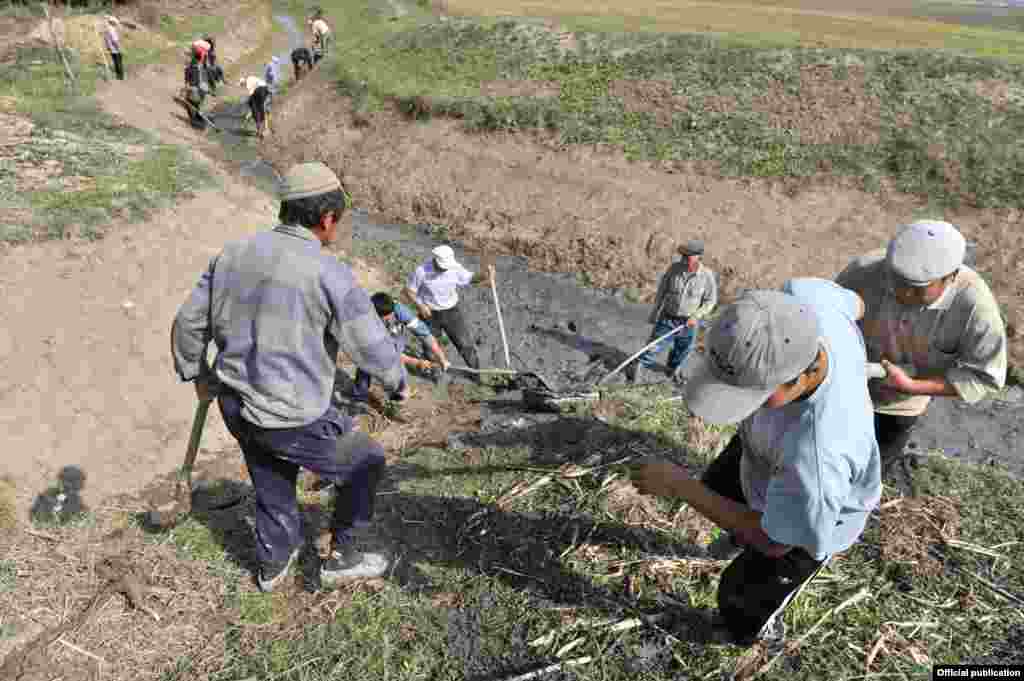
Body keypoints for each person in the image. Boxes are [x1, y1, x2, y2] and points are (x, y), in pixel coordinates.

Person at [171, 162, 406, 592]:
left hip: (235, 403)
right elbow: (372, 347)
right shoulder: (329, 273)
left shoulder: (232, 254)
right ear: (327, 219)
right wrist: (397, 382)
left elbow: (188, 325)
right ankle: (344, 556)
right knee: (366, 462)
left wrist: (197, 372)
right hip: (290, 416)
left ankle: (273, 563)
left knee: (271, 479)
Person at [630, 280, 881, 647]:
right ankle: (737, 533)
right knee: (719, 486)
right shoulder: (802, 302)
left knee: (744, 592)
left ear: (800, 376)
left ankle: (739, 631)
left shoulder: (818, 458)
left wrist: (680, 486)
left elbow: (774, 542)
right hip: (763, 453)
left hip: (802, 526)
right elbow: (856, 302)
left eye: (752, 394)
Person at [834, 220, 1007, 472]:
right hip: (844, 389)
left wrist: (912, 386)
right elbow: (829, 318)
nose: (902, 293)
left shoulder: (977, 310)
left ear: (950, 277)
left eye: (916, 289)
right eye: (896, 281)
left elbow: (983, 376)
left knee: (873, 467)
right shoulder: (863, 271)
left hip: (900, 407)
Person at [625, 239, 718, 384]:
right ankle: (638, 367)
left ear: (698, 257)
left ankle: (673, 370)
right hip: (668, 317)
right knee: (653, 346)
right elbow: (662, 291)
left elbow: (710, 301)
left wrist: (696, 316)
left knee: (683, 349)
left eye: (688, 257)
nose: (684, 260)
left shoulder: (706, 276)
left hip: (688, 322)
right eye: (683, 256)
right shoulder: (674, 269)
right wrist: (655, 312)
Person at [402, 245, 493, 378]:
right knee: (430, 347)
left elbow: (471, 278)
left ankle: (476, 375)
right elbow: (409, 291)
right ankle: (434, 373)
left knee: (465, 345)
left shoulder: (455, 268)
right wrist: (420, 306)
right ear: (435, 261)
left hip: (452, 312)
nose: (445, 269)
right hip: (429, 314)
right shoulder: (421, 271)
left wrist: (484, 275)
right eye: (442, 267)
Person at [351, 292, 451, 412]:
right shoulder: (366, 325)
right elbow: (388, 355)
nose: (390, 319)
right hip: (371, 347)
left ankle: (395, 401)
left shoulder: (399, 310)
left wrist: (442, 358)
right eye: (386, 318)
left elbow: (424, 334)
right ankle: (360, 396)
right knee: (366, 365)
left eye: (391, 315)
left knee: (399, 375)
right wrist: (417, 362)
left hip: (394, 339)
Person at [182, 48, 209, 129]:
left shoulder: (189, 68)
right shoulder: (202, 67)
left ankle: (195, 122)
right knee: (196, 106)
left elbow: (188, 83)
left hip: (194, 91)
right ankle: (200, 120)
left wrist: (184, 91)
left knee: (188, 104)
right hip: (202, 91)